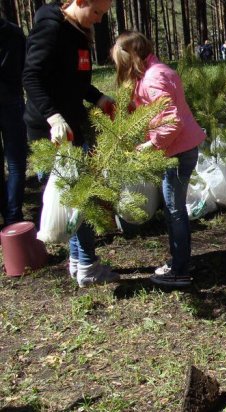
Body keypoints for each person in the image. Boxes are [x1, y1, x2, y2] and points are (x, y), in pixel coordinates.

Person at [23, 0, 119, 287]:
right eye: (97, 12)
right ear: (80, 1)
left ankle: (80, 262)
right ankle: (87, 265)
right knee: (80, 199)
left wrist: (98, 97)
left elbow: (74, 81)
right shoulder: (51, 29)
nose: (99, 20)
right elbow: (31, 76)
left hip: (72, 127)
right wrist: (53, 117)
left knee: (79, 199)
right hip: (50, 131)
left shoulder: (78, 30)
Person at [112, 31, 206, 287]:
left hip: (178, 152)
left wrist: (150, 145)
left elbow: (171, 122)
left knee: (174, 210)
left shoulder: (154, 77)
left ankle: (180, 270)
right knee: (173, 208)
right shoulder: (154, 72)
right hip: (177, 149)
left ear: (129, 56)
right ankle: (181, 259)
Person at [0, 18, 28, 226]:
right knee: (17, 163)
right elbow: (24, 67)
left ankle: (8, 213)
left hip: (12, 99)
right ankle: (13, 215)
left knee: (15, 163)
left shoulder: (16, 33)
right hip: (11, 98)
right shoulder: (15, 33)